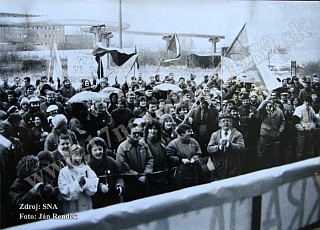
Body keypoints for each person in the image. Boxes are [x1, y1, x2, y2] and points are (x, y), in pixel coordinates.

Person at [116, 123, 153, 201]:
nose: (137, 135)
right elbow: (122, 166)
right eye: (134, 133)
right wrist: (137, 176)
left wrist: (145, 174)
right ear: (128, 134)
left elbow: (150, 159)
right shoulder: (122, 148)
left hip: (144, 183)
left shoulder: (143, 145)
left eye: (138, 133)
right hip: (130, 185)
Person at [58, 144, 98, 214]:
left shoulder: (87, 168)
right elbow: (64, 191)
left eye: (80, 155)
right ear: (70, 156)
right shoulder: (64, 172)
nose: (78, 158)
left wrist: (85, 182)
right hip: (71, 209)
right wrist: (77, 184)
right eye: (75, 155)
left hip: (86, 207)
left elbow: (94, 184)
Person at [87, 137, 124, 208]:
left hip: (113, 199)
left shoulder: (111, 161)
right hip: (97, 201)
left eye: (100, 149)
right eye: (95, 150)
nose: (98, 152)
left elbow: (118, 176)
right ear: (91, 152)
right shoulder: (88, 166)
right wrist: (99, 186)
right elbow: (88, 183)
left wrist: (119, 185)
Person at [207, 113, 245, 180]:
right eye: (223, 121)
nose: (226, 123)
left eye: (228, 121)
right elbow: (209, 148)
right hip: (218, 168)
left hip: (233, 167)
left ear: (231, 123)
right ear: (219, 124)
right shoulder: (215, 135)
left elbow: (241, 147)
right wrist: (219, 147)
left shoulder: (237, 134)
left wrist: (229, 145)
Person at [166, 123, 202, 190]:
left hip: (193, 171)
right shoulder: (173, 144)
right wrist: (181, 160)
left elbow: (198, 152)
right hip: (180, 173)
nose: (190, 134)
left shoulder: (194, 142)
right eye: (188, 132)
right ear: (182, 134)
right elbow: (169, 157)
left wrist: (194, 158)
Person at [257, 96, 285, 169]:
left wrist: (280, 130)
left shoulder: (279, 111)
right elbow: (260, 108)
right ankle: (261, 167)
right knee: (263, 151)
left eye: (271, 101)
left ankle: (274, 166)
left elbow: (283, 121)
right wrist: (266, 99)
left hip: (276, 133)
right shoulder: (263, 111)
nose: (270, 103)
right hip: (265, 134)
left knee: (274, 151)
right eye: (268, 102)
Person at [144, 120, 168, 195]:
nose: (153, 131)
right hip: (150, 173)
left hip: (161, 173)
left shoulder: (161, 142)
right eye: (150, 129)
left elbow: (165, 156)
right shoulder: (143, 142)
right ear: (147, 130)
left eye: (155, 129)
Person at [293, 96, 317, 160]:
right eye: (306, 101)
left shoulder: (310, 109)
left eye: (309, 102)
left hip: (310, 130)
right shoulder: (299, 108)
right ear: (304, 101)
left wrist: (313, 126)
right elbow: (295, 121)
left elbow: (314, 118)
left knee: (310, 147)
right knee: (301, 148)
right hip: (302, 131)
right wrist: (301, 129)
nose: (308, 103)